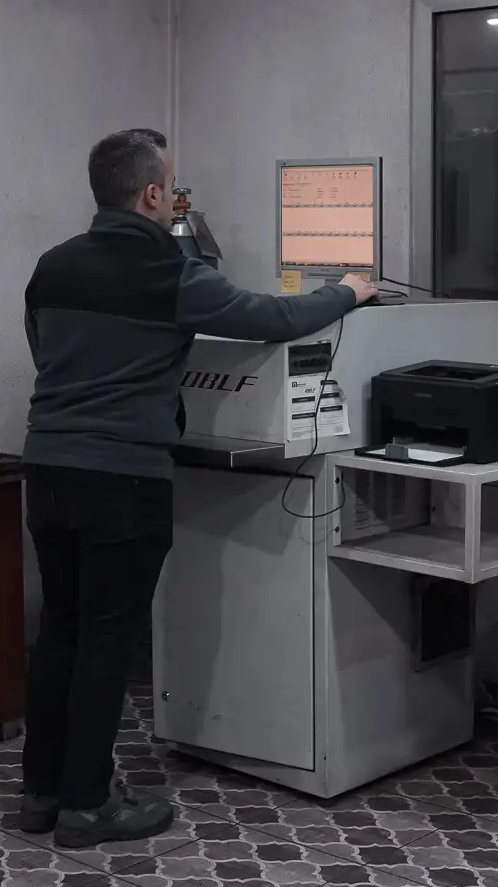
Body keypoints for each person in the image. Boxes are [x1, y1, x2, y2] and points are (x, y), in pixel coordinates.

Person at [20, 128, 376, 847]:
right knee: (107, 640)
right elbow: (276, 318)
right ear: (151, 193)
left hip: (48, 469)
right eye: (171, 186)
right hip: (124, 477)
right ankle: (87, 805)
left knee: (61, 628)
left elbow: (44, 351)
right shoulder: (167, 271)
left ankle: (42, 792)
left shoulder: (52, 267)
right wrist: (347, 290)